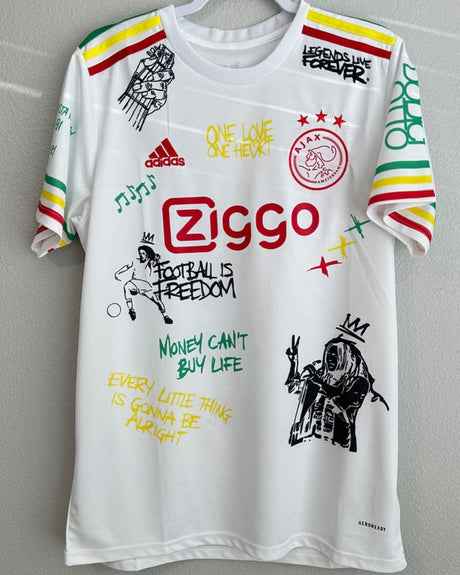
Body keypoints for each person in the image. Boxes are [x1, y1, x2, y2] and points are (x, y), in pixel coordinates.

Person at [285, 335, 388, 452]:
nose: (330, 358)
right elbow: (293, 388)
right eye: (328, 354)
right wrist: (294, 363)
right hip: (308, 440)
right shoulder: (320, 376)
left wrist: (319, 383)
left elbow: (340, 403)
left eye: (335, 355)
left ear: (346, 357)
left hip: (339, 445)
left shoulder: (359, 383)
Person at [115, 245, 173, 324]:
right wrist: (117, 273)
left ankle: (165, 316)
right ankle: (131, 310)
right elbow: (127, 266)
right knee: (127, 286)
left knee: (158, 301)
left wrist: (157, 258)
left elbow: (155, 261)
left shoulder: (150, 261)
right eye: (140, 253)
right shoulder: (135, 261)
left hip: (145, 286)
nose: (141, 255)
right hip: (134, 282)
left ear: (147, 254)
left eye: (143, 253)